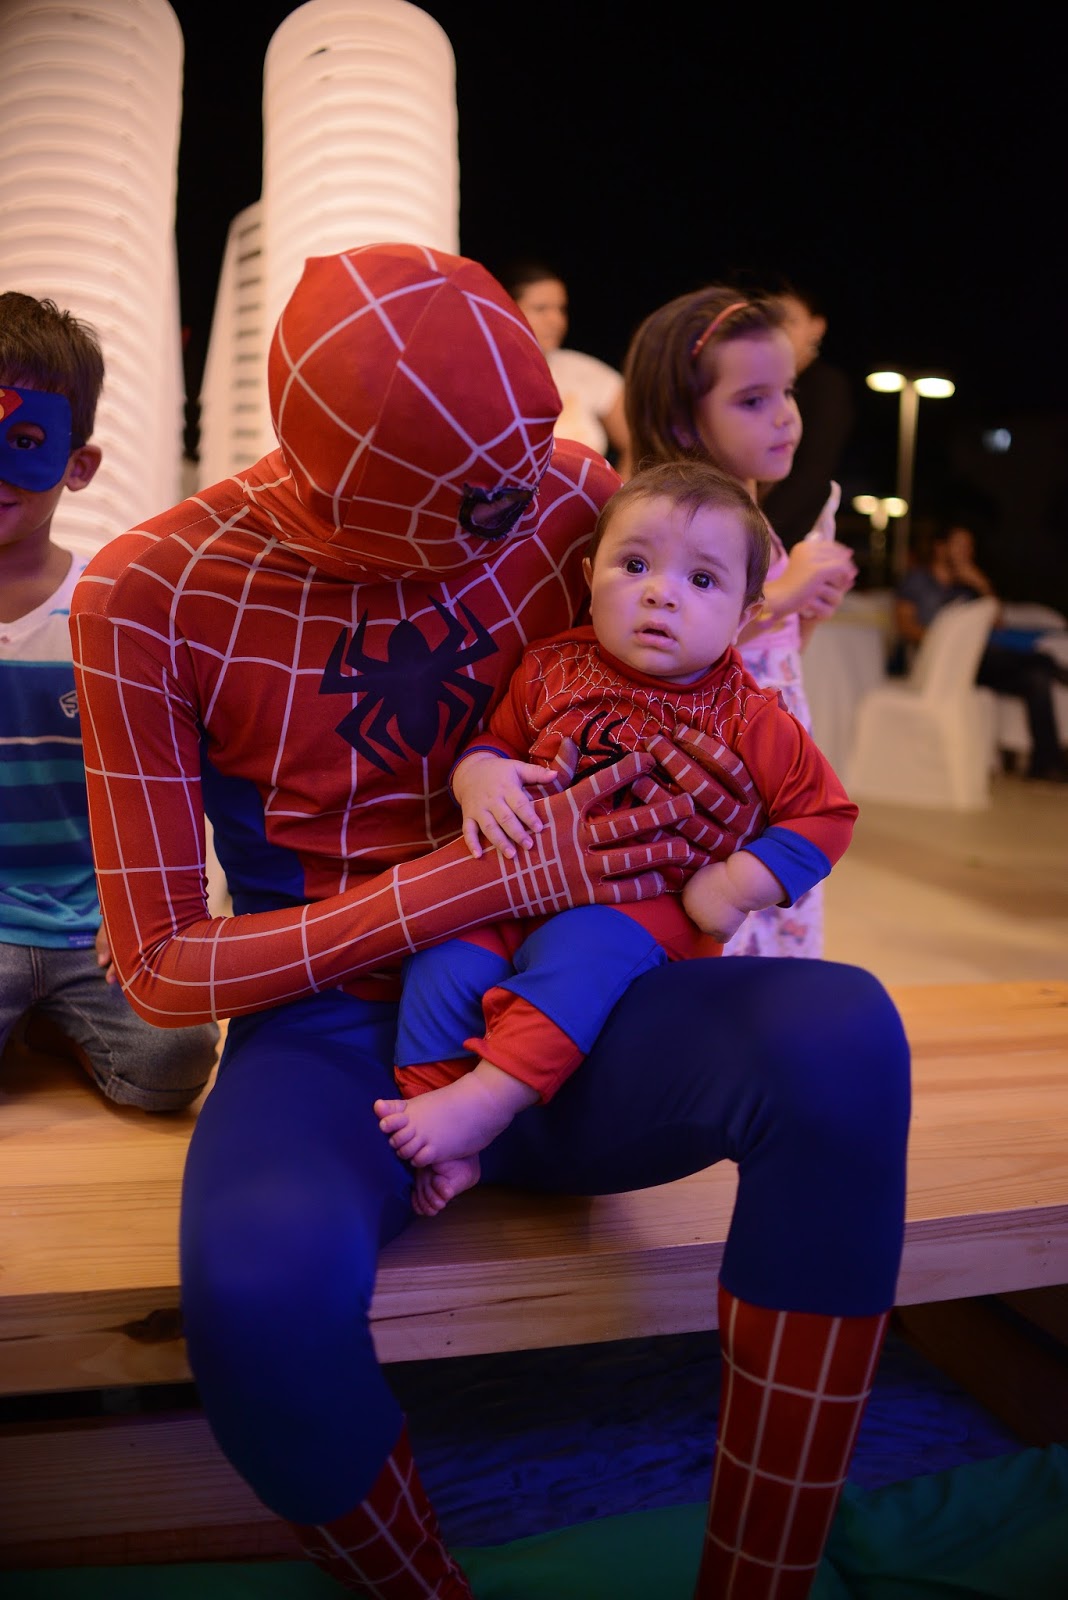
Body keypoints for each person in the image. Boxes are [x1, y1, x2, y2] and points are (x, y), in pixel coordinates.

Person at [70, 243, 910, 1600]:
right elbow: (161, 970)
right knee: (258, 1295)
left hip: (585, 996)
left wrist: (722, 834)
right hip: (344, 1044)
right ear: (340, 484)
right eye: (486, 497)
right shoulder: (156, 591)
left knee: (845, 1036)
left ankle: (760, 1582)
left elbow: (708, 676)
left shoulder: (568, 492)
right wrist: (472, 883)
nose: (531, 504)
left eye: (534, 457)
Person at [375, 460, 858, 1216]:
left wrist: (739, 883)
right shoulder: (551, 667)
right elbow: (498, 740)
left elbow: (826, 816)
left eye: (703, 581)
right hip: (518, 883)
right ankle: (440, 1117)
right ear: (588, 576)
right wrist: (479, 776)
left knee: (582, 948)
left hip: (641, 908)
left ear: (745, 615)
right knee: (442, 957)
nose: (661, 593)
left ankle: (486, 1102)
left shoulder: (751, 717)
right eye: (634, 566)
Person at [0, 291, 218, 1109]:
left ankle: (54, 1022)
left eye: (26, 443)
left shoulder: (111, 609)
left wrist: (141, 911)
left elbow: (164, 777)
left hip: (92, 925)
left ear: (78, 464)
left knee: (175, 1063)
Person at [623, 284, 859, 958]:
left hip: (770, 753)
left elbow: (771, 650)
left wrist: (808, 610)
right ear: (681, 420)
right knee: (727, 934)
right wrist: (786, 591)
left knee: (776, 926)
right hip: (719, 762)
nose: (785, 416)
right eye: (752, 400)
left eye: (787, 392)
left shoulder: (751, 519)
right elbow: (680, 644)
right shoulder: (684, 522)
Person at [895, 522, 1068, 782]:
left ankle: (1045, 764)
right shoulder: (918, 580)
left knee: (1037, 678)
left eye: (969, 547)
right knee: (1036, 663)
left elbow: (998, 622)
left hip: (976, 664)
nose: (966, 552)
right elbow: (905, 626)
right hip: (936, 664)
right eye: (960, 545)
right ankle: (1053, 666)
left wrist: (980, 582)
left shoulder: (968, 588)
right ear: (940, 548)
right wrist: (946, 641)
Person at [500, 257, 630, 466]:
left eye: (561, 309)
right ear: (506, 311)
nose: (557, 321)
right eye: (541, 309)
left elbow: (634, 444)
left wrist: (621, 487)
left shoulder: (582, 370)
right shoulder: (486, 376)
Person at [760, 279, 855, 548]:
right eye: (771, 320)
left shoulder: (827, 386)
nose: (779, 329)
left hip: (794, 536)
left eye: (790, 321)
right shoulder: (763, 381)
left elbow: (812, 473)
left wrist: (759, 530)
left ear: (817, 327)